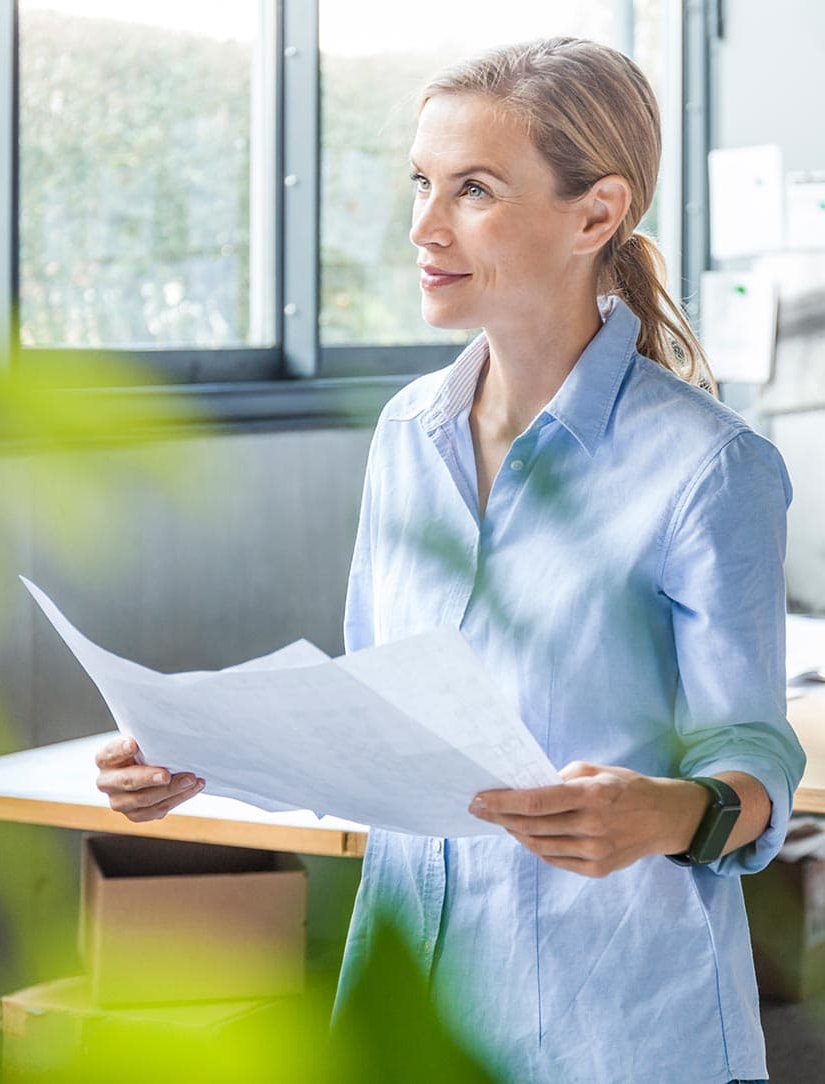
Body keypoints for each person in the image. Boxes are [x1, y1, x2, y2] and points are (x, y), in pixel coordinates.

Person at [95, 37, 805, 1084]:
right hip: (410, 1010)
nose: (424, 228)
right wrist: (208, 755)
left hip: (615, 1028)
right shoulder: (406, 432)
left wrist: (670, 809)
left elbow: (753, 754)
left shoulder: (707, 467)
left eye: (472, 189)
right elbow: (375, 719)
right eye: (421, 184)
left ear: (595, 215)